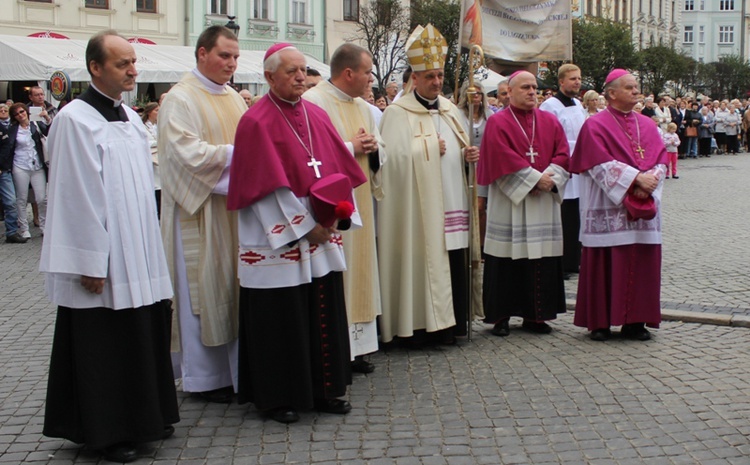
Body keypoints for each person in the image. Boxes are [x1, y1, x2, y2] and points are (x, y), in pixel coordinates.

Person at [39, 30, 178, 463]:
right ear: (95, 68)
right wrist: (88, 261)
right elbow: (73, 196)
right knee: (106, 344)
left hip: (137, 246)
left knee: (141, 331)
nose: (133, 70)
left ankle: (147, 417)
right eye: (123, 64)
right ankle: (110, 430)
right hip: (104, 256)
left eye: (134, 62)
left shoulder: (132, 119)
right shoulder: (75, 119)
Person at [227, 43, 367, 424]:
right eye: (291, 71)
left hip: (319, 231)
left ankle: (324, 389)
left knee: (321, 305)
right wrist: (307, 229)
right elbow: (264, 187)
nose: (300, 77)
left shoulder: (317, 115)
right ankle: (279, 397)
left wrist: (336, 216)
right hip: (280, 238)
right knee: (283, 317)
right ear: (270, 76)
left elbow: (339, 171)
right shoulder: (255, 121)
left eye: (303, 70)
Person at [158, 25, 246, 404]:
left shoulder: (234, 98)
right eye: (224, 55)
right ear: (202, 54)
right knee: (202, 291)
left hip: (233, 210)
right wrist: (236, 154)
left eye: (235, 57)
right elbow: (184, 156)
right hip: (197, 212)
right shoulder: (181, 98)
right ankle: (206, 378)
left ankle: (236, 371)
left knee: (230, 286)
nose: (231, 63)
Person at [378, 24, 480, 346]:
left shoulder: (451, 110)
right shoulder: (397, 113)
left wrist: (468, 155)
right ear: (415, 79)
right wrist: (425, 150)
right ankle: (421, 330)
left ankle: (452, 326)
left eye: (439, 76)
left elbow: (460, 151)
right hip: (418, 215)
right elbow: (389, 162)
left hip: (452, 204)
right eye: (430, 77)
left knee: (452, 261)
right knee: (422, 260)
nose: (437, 82)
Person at [302, 43, 385, 373]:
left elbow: (379, 146)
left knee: (361, 270)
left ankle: (359, 347)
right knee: (339, 270)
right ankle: (335, 347)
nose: (370, 80)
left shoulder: (364, 107)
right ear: (348, 73)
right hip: (329, 207)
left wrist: (375, 149)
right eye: (367, 72)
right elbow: (311, 155)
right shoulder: (314, 102)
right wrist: (353, 146)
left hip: (358, 199)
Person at [570, 69, 668, 342]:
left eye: (636, 87)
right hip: (607, 203)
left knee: (642, 262)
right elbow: (596, 164)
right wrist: (635, 178)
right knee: (604, 261)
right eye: (629, 87)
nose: (636, 92)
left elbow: (661, 158)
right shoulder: (595, 125)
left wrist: (652, 179)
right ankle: (599, 322)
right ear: (611, 93)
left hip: (642, 204)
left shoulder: (648, 124)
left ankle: (635, 322)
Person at [477, 70, 570, 337]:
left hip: (542, 200)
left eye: (534, 87)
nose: (532, 92)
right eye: (526, 87)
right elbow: (499, 156)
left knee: (541, 258)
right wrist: (533, 179)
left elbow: (563, 153)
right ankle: (501, 317)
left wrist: (548, 179)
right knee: (506, 259)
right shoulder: (498, 122)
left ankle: (536, 316)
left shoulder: (550, 121)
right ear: (509, 92)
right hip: (510, 203)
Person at [539, 63, 586, 279]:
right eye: (572, 79)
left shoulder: (577, 103)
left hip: (579, 163)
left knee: (575, 213)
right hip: (561, 163)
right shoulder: (550, 105)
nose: (577, 82)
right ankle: (559, 262)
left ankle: (573, 260)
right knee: (562, 214)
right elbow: (548, 137)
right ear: (561, 81)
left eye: (578, 78)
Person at [1, 103, 48, 239]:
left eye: (22, 112)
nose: (20, 115)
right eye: (16, 114)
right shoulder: (13, 129)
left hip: (37, 165)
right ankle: (24, 228)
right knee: (21, 199)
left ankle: (44, 226)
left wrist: (47, 118)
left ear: (26, 111)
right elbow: (7, 147)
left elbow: (48, 132)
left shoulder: (36, 125)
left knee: (42, 198)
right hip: (20, 165)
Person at [0, 103, 27, 243]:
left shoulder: (4, 129)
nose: (3, 111)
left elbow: (6, 148)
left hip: (3, 171)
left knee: (10, 201)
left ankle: (11, 233)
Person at [141, 102, 161, 217]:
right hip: (151, 161)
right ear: (149, 112)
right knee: (155, 187)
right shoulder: (143, 126)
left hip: (160, 160)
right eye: (156, 110)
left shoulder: (158, 126)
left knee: (161, 188)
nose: (158, 113)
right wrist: (159, 142)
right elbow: (144, 142)